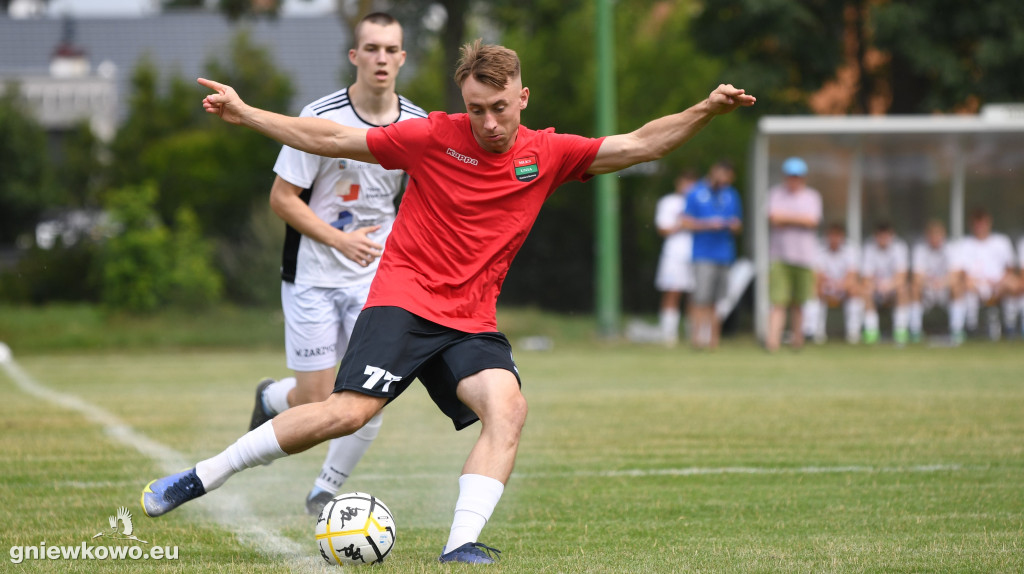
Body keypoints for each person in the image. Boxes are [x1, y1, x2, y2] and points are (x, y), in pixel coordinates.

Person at [140, 39, 755, 564]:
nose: (487, 123)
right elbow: (329, 137)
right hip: (403, 302)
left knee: (508, 409)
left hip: (470, 323)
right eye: (475, 109)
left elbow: (643, 143)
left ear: (522, 98)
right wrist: (249, 114)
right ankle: (203, 475)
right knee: (346, 414)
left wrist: (706, 108)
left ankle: (461, 547)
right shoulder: (434, 136)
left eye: (498, 108)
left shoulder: (548, 153)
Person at [247, 13, 427, 517]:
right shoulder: (321, 114)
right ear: (355, 56)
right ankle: (273, 397)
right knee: (316, 397)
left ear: (403, 58)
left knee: (371, 389)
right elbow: (282, 198)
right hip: (314, 274)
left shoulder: (416, 123)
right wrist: (339, 240)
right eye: (371, 48)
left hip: (377, 278)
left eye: (391, 50)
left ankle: (325, 488)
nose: (381, 59)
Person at [680, 160, 742, 350]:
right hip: (702, 254)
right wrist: (708, 224)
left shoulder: (731, 194)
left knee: (717, 300)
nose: (725, 182)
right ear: (715, 172)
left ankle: (713, 341)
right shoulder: (695, 193)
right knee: (700, 298)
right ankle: (696, 339)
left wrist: (732, 225)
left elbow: (739, 225)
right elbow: (685, 222)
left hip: (724, 254)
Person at [764, 157, 822, 352]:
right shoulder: (775, 194)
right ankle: (772, 343)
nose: (793, 179)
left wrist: (787, 218)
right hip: (779, 257)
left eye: (796, 176)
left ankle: (798, 342)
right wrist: (799, 219)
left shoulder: (812, 196)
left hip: (804, 258)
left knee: (799, 303)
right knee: (778, 301)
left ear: (802, 177)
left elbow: (812, 221)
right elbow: (774, 218)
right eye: (790, 176)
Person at [956, 208, 1018, 340]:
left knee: (1013, 284)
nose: (980, 227)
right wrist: (979, 284)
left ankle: (1010, 326)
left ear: (989, 223)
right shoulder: (965, 244)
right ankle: (970, 327)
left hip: (999, 283)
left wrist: (1000, 283)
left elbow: (1010, 268)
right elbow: (963, 272)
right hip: (976, 284)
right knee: (966, 286)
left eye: (982, 222)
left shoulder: (1002, 241)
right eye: (977, 223)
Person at [653, 169, 698, 346]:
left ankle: (693, 334)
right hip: (674, 254)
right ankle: (668, 334)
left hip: (697, 253)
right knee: (672, 291)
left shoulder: (699, 201)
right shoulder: (668, 202)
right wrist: (682, 223)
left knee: (695, 295)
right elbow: (663, 229)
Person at [802, 223, 863, 344]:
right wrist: (828, 284)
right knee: (813, 289)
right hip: (825, 287)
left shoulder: (851, 249)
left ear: (842, 237)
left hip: (844, 287)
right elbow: (816, 274)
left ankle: (853, 332)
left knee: (855, 289)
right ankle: (813, 331)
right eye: (831, 236)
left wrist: (840, 286)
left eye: (837, 236)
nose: (834, 239)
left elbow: (852, 275)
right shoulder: (818, 249)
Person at [860, 221, 910, 345]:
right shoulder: (868, 248)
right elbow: (866, 278)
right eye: (880, 236)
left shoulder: (900, 247)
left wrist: (888, 286)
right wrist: (877, 286)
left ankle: (900, 331)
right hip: (875, 288)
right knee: (865, 290)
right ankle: (871, 332)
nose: (883, 239)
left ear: (891, 235)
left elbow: (902, 276)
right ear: (875, 236)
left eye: (886, 235)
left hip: (892, 287)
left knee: (903, 289)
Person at [908, 220, 957, 343]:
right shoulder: (920, 250)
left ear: (943, 235)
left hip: (944, 289)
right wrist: (930, 284)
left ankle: (957, 330)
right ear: (927, 236)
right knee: (914, 287)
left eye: (938, 235)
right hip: (927, 290)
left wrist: (941, 283)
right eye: (932, 235)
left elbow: (954, 276)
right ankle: (915, 331)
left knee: (958, 287)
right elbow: (917, 277)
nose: (935, 238)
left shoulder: (951, 249)